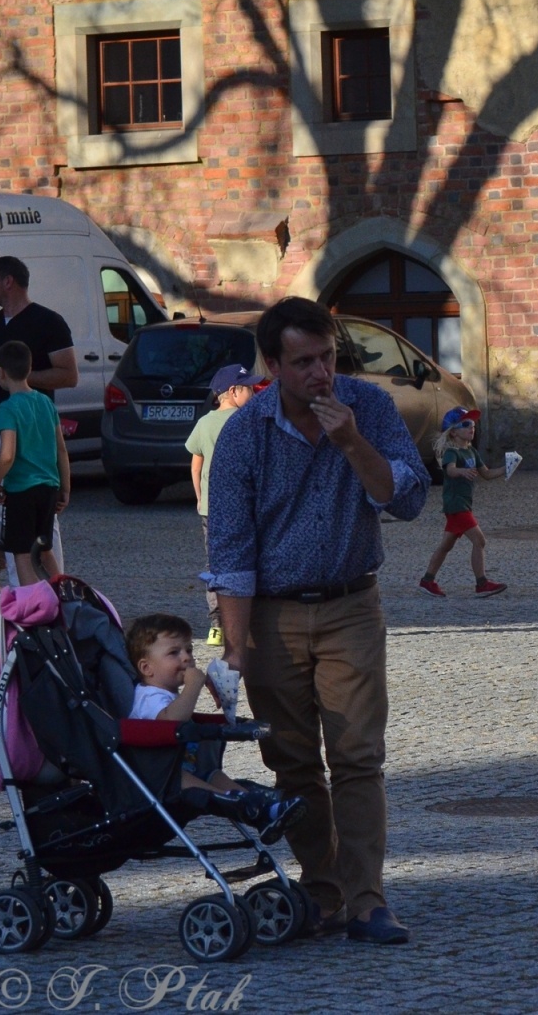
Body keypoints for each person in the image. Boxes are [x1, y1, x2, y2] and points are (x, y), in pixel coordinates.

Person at [206, 296, 427, 945]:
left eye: (327, 356)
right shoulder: (244, 435)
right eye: (302, 362)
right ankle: (323, 890)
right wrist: (235, 645)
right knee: (294, 761)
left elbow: (406, 499)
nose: (320, 373)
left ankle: (367, 901)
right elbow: (230, 551)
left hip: (351, 605)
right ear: (271, 365)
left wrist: (350, 439)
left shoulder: (371, 407)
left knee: (358, 757)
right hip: (272, 615)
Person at [125, 612, 305, 844]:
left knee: (214, 774)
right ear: (147, 668)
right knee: (197, 786)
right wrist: (193, 687)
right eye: (174, 653)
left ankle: (264, 809)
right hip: (159, 776)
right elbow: (169, 724)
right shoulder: (148, 696)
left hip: (182, 765)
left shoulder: (165, 693)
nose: (187, 658)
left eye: (188, 650)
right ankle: (248, 806)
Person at [0, 256, 77, 583]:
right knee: (8, 515)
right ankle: (22, 596)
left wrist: (23, 376)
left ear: (9, 282)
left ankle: (52, 594)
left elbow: (69, 375)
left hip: (33, 428)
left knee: (44, 521)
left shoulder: (49, 322)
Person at [185, 364, 264, 647]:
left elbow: (196, 467)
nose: (255, 394)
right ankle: (252, 621)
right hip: (246, 506)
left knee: (216, 565)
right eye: (250, 388)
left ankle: (217, 625)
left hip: (211, 508)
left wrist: (199, 497)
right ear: (232, 392)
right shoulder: (248, 421)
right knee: (251, 560)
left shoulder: (204, 423)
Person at [0, 340, 68, 586]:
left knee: (21, 552)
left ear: (0, 372)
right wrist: (65, 488)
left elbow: (7, 455)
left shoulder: (8, 408)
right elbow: (61, 450)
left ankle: (30, 607)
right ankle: (64, 598)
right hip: (48, 488)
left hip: (21, 490)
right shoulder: (46, 403)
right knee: (44, 549)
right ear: (29, 367)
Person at [418, 406, 508, 598]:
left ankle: (427, 580)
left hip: (462, 505)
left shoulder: (472, 452)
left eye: (473, 425)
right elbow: (449, 470)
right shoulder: (452, 453)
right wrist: (462, 472)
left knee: (446, 545)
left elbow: (487, 474)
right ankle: (481, 583)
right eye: (466, 424)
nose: (471, 428)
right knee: (479, 540)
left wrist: (507, 468)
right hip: (455, 504)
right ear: (454, 431)